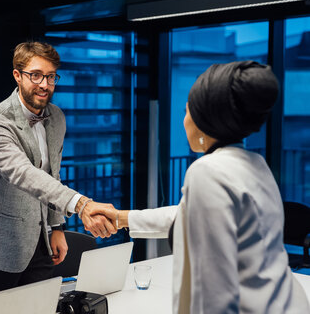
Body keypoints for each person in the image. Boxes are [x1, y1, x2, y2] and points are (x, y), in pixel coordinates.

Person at [90, 61, 310, 313]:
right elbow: (190, 214)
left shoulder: (207, 170)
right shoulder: (254, 163)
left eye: (186, 112)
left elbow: (213, 288)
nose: (184, 122)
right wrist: (121, 218)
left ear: (203, 120)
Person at [0, 41, 116, 295]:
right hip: (1, 243)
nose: (45, 85)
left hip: (41, 241)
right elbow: (25, 174)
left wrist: (57, 227)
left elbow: (52, 175)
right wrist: (81, 204)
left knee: (42, 306)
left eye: (50, 77)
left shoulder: (56, 116)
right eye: (35, 75)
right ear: (17, 75)